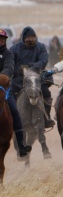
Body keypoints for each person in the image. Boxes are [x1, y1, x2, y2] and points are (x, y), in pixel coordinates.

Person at [10, 26, 55, 128]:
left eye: (32, 37)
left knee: (46, 92)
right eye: (28, 38)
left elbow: (44, 60)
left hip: (36, 77)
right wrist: (18, 69)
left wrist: (31, 67)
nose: (30, 39)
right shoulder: (14, 48)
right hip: (19, 78)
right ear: (23, 38)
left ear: (35, 37)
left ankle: (46, 117)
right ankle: (11, 118)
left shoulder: (41, 47)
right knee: (10, 94)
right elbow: (10, 62)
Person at [0, 28, 31, 157]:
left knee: (14, 110)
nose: (0, 41)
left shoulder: (8, 53)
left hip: (3, 87)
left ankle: (21, 144)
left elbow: (9, 66)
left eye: (2, 39)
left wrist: (4, 76)